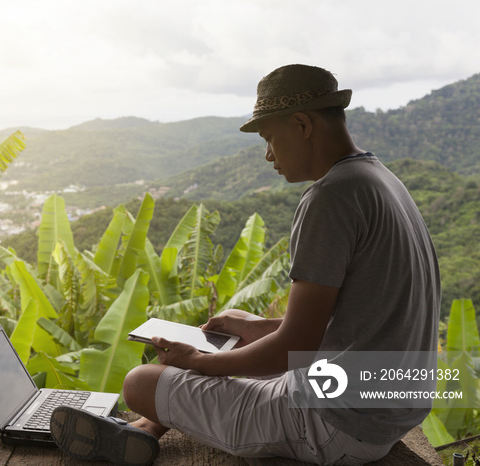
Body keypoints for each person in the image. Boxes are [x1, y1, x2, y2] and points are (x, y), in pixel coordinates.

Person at [49, 64, 441, 465]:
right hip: (389, 401)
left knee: (139, 382)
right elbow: (357, 318)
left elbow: (296, 347)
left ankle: (146, 422)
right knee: (236, 322)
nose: (268, 154)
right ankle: (145, 431)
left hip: (337, 423)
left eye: (270, 138)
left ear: (303, 124)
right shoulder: (379, 180)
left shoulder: (330, 197)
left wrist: (200, 362)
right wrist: (259, 328)